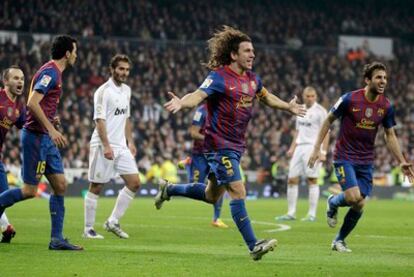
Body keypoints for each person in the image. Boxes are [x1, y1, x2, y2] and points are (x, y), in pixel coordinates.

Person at [156, 26, 306, 261]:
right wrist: (182, 103)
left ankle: (169, 189)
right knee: (238, 190)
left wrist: (288, 106)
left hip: (236, 146)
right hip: (218, 145)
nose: (252, 55)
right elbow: (197, 95)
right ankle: (253, 245)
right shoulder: (219, 77)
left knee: (211, 195)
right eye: (247, 50)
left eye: (253, 51)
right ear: (234, 55)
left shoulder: (252, 79)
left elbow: (266, 98)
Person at [308, 62, 414, 253]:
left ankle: (338, 241)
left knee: (360, 203)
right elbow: (327, 121)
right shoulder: (349, 99)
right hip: (344, 156)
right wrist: (317, 148)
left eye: (385, 78)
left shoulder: (386, 105)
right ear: (368, 80)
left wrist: (401, 161)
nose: (383, 81)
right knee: (353, 197)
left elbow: (390, 135)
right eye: (378, 77)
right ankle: (333, 202)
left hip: (366, 160)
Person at [0, 35, 83, 250]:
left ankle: (56, 239)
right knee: (29, 190)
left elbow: (38, 106)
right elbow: (32, 102)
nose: (76, 55)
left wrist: (50, 119)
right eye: (74, 51)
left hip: (45, 138)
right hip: (36, 137)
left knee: (60, 185)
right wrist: (51, 127)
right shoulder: (50, 72)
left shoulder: (54, 73)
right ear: (67, 53)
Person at [84, 54, 141, 239]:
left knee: (134, 183)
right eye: (121, 69)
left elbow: (126, 118)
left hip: (121, 146)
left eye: (126, 69)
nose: (124, 72)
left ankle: (113, 221)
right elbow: (99, 121)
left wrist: (130, 141)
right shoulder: (103, 91)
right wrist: (107, 145)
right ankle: (88, 229)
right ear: (112, 69)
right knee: (96, 186)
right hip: (103, 144)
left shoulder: (127, 90)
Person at [276, 87, 329, 222]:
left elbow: (327, 133)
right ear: (303, 96)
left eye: (312, 96)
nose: (310, 98)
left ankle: (311, 214)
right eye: (307, 96)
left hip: (313, 148)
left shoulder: (321, 111)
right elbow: (298, 131)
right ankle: (291, 212)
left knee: (312, 179)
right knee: (292, 179)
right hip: (299, 147)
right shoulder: (300, 109)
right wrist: (292, 147)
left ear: (315, 96)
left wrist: (323, 152)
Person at [178, 103, 228, 228]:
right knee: (196, 184)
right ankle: (187, 167)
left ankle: (216, 218)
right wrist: (210, 139)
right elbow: (194, 133)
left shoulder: (222, 110)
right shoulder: (201, 111)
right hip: (200, 155)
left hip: (215, 154)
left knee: (219, 183)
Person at [0, 66, 25, 243]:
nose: (20, 82)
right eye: (15, 78)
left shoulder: (18, 106)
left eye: (22, 79)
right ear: (5, 81)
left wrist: (48, 122)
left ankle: (5, 227)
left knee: (4, 196)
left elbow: (28, 125)